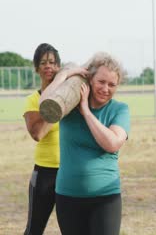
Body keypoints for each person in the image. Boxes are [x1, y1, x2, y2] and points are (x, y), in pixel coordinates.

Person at [39, 52, 130, 235]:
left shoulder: (119, 110)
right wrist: (64, 75)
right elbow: (44, 105)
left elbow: (112, 143)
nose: (105, 88)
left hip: (105, 198)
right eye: (101, 82)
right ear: (90, 80)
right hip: (67, 196)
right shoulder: (68, 105)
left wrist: (86, 112)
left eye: (112, 85)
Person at [23, 43, 62, 235]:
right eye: (43, 62)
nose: (48, 66)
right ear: (37, 68)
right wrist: (56, 104)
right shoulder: (33, 99)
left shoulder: (69, 97)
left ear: (59, 68)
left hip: (69, 173)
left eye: (53, 62)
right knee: (34, 230)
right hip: (44, 174)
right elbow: (37, 133)